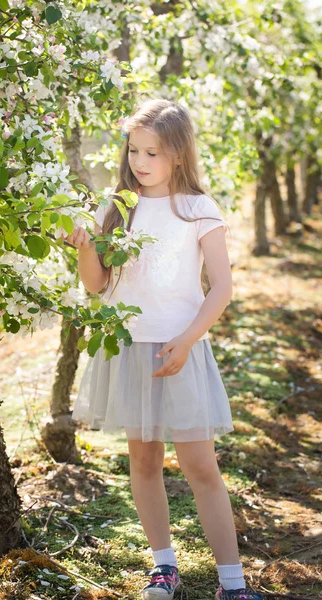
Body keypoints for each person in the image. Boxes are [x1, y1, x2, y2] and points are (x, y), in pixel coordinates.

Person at [67, 99, 263, 600]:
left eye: (152, 152)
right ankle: (163, 566)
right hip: (130, 347)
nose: (140, 162)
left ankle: (232, 582)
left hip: (181, 346)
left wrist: (189, 338)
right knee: (145, 460)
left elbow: (221, 287)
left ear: (178, 153)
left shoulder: (197, 208)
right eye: (134, 150)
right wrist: (86, 245)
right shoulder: (116, 207)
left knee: (200, 465)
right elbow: (96, 286)